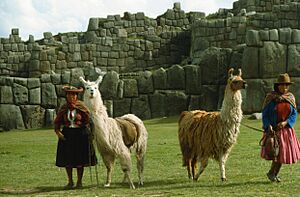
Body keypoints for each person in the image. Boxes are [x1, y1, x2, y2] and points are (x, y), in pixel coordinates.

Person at [54, 85, 97, 189]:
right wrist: (58, 133)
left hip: (80, 135)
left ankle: (79, 182)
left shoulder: (81, 107)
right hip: (67, 135)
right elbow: (57, 122)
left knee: (79, 160)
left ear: (76, 96)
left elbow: (89, 121)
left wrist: (91, 134)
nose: (71, 97)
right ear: (66, 96)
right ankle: (70, 182)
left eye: (73, 94)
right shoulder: (64, 108)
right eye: (69, 94)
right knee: (68, 160)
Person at [261, 73, 300, 182]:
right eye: (282, 85)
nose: (284, 88)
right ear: (277, 86)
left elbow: (294, 114)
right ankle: (272, 173)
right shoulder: (270, 98)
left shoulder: (290, 97)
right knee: (276, 153)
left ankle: (273, 173)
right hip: (273, 131)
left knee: (282, 154)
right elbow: (265, 114)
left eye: (286, 85)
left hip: (286, 131)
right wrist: (268, 125)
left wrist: (286, 122)